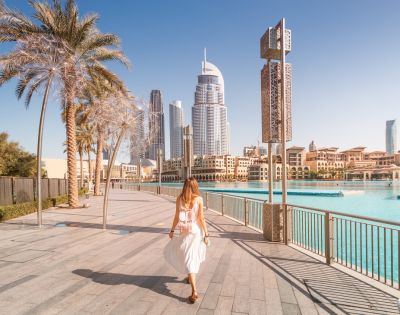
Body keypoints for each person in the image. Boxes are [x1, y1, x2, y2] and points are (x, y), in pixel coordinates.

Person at [164, 177, 209, 303]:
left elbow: (176, 217)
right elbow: (201, 218)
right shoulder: (199, 199)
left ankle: (192, 284)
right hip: (196, 232)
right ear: (195, 186)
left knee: (188, 257)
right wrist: (206, 234)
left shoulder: (179, 199)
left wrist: (172, 230)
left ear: (184, 186)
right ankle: (193, 288)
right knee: (191, 257)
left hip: (184, 232)